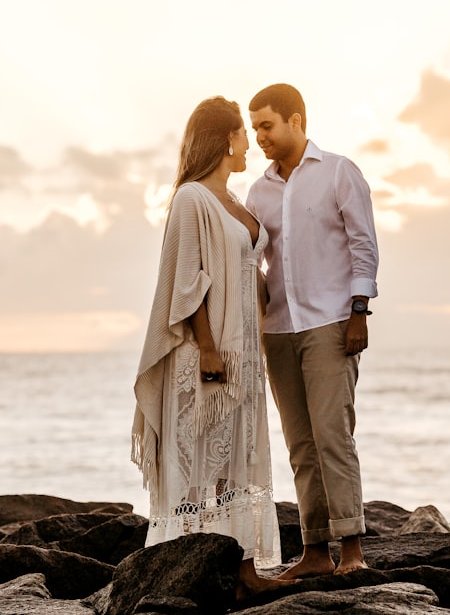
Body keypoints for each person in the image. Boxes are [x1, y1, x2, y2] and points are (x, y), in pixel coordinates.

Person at [132, 96, 291, 597]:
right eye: (244, 132)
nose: (250, 142)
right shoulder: (191, 198)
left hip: (243, 354)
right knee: (200, 458)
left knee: (236, 461)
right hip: (207, 352)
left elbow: (251, 276)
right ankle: (190, 571)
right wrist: (206, 347)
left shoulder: (236, 202)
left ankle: (243, 573)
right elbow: (187, 282)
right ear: (226, 138)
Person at [245, 83, 379, 578]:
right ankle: (316, 553)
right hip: (278, 330)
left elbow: (364, 244)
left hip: (330, 323)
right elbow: (254, 260)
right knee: (301, 444)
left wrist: (359, 312)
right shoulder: (258, 191)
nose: (260, 136)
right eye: (254, 127)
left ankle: (353, 552)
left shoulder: (339, 173)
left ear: (296, 121)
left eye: (267, 125)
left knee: (333, 436)